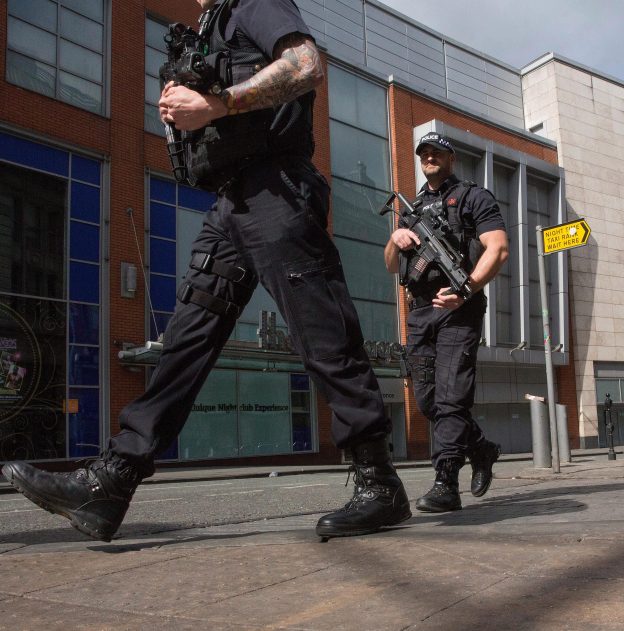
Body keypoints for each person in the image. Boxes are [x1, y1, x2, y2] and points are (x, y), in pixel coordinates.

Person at [1, 0, 410, 542]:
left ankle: (378, 481)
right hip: (232, 202)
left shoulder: (254, 4)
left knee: (323, 331)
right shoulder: (211, 25)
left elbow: (307, 64)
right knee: (186, 341)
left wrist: (217, 104)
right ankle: (113, 482)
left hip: (277, 190)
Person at [384, 133, 509, 512]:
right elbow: (393, 266)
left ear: (450, 157)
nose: (429, 157)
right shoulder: (413, 208)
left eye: (437, 152)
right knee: (427, 399)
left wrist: (467, 290)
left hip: (460, 307)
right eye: (424, 152)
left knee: (452, 395)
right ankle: (481, 449)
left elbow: (499, 248)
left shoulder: (474, 197)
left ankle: (446, 482)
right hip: (421, 312)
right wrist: (396, 237)